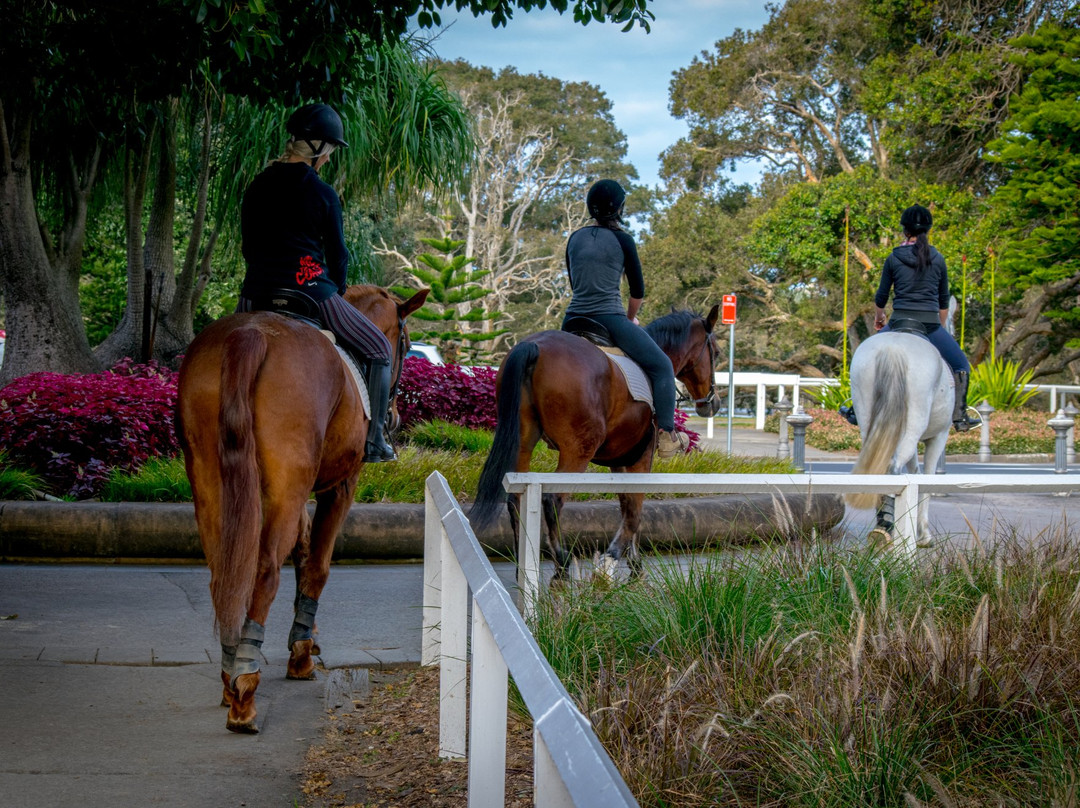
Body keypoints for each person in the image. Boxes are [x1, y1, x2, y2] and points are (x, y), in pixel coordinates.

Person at [237, 102, 397, 462]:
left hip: (256, 290)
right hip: (310, 289)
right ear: (319, 150)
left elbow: (248, 246)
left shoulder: (256, 187)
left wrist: (264, 274)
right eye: (329, 152)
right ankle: (374, 442)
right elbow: (338, 255)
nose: (328, 159)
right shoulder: (324, 194)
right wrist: (337, 289)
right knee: (378, 349)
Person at [562, 179, 687, 458]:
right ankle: (667, 436)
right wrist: (630, 319)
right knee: (663, 366)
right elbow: (637, 292)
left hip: (572, 319)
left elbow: (575, 282)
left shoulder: (574, 238)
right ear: (619, 209)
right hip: (609, 318)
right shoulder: (623, 240)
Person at [840, 204, 981, 432]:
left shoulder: (893, 258)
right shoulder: (938, 258)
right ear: (928, 230)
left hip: (898, 322)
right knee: (961, 364)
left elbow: (881, 296)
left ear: (905, 230)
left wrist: (879, 317)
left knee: (864, 356)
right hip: (930, 325)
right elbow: (943, 301)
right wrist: (940, 327)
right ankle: (960, 416)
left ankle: (856, 410)